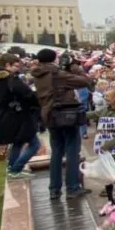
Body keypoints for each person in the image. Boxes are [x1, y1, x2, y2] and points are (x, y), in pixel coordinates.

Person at [33, 49, 92, 200]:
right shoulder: (57, 74)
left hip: (49, 116)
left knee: (57, 152)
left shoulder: (38, 74)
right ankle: (72, 188)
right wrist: (74, 67)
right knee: (72, 151)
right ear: (53, 59)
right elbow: (85, 81)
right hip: (65, 116)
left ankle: (54, 189)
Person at [0, 54, 41, 179]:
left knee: (18, 143)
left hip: (4, 116)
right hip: (16, 116)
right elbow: (28, 95)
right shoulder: (10, 80)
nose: (18, 68)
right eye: (15, 65)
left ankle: (11, 169)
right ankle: (15, 169)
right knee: (34, 144)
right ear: (7, 65)